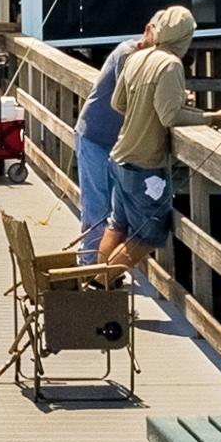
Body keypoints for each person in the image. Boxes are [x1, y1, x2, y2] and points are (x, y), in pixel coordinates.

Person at [97, 6, 221, 277]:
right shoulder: (171, 64)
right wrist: (212, 117)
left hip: (120, 156)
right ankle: (99, 285)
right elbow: (169, 115)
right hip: (145, 165)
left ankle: (92, 280)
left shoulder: (137, 57)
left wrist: (146, 112)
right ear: (184, 37)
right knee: (148, 235)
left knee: (117, 225)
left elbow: (118, 102)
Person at [73, 16, 148, 260]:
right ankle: (89, 264)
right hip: (94, 137)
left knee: (117, 211)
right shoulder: (127, 53)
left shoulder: (149, 61)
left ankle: (105, 268)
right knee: (97, 208)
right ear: (148, 31)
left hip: (117, 144)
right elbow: (130, 97)